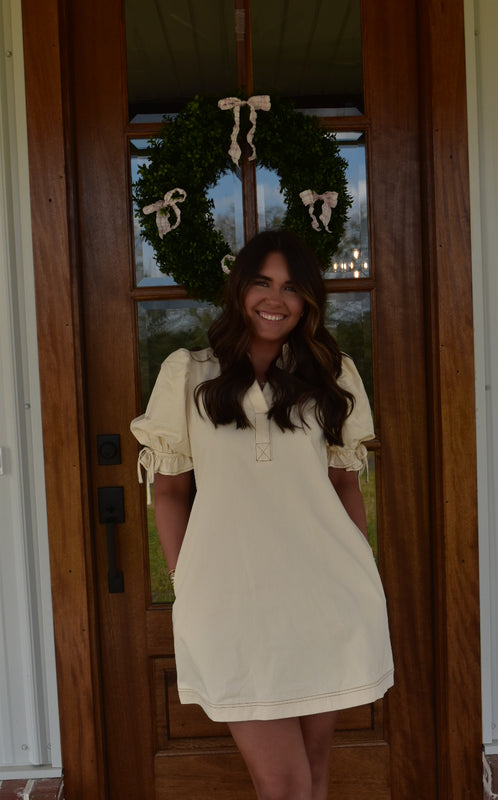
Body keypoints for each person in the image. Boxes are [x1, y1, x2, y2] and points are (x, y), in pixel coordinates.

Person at [131, 230, 393, 800]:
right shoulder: (189, 373)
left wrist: (360, 574)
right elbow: (171, 490)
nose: (276, 300)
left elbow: (345, 482)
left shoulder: (332, 373)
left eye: (292, 288)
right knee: (283, 785)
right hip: (232, 607)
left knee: (314, 776)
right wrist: (186, 585)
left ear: (308, 302)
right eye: (262, 283)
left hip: (326, 601)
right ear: (240, 290)